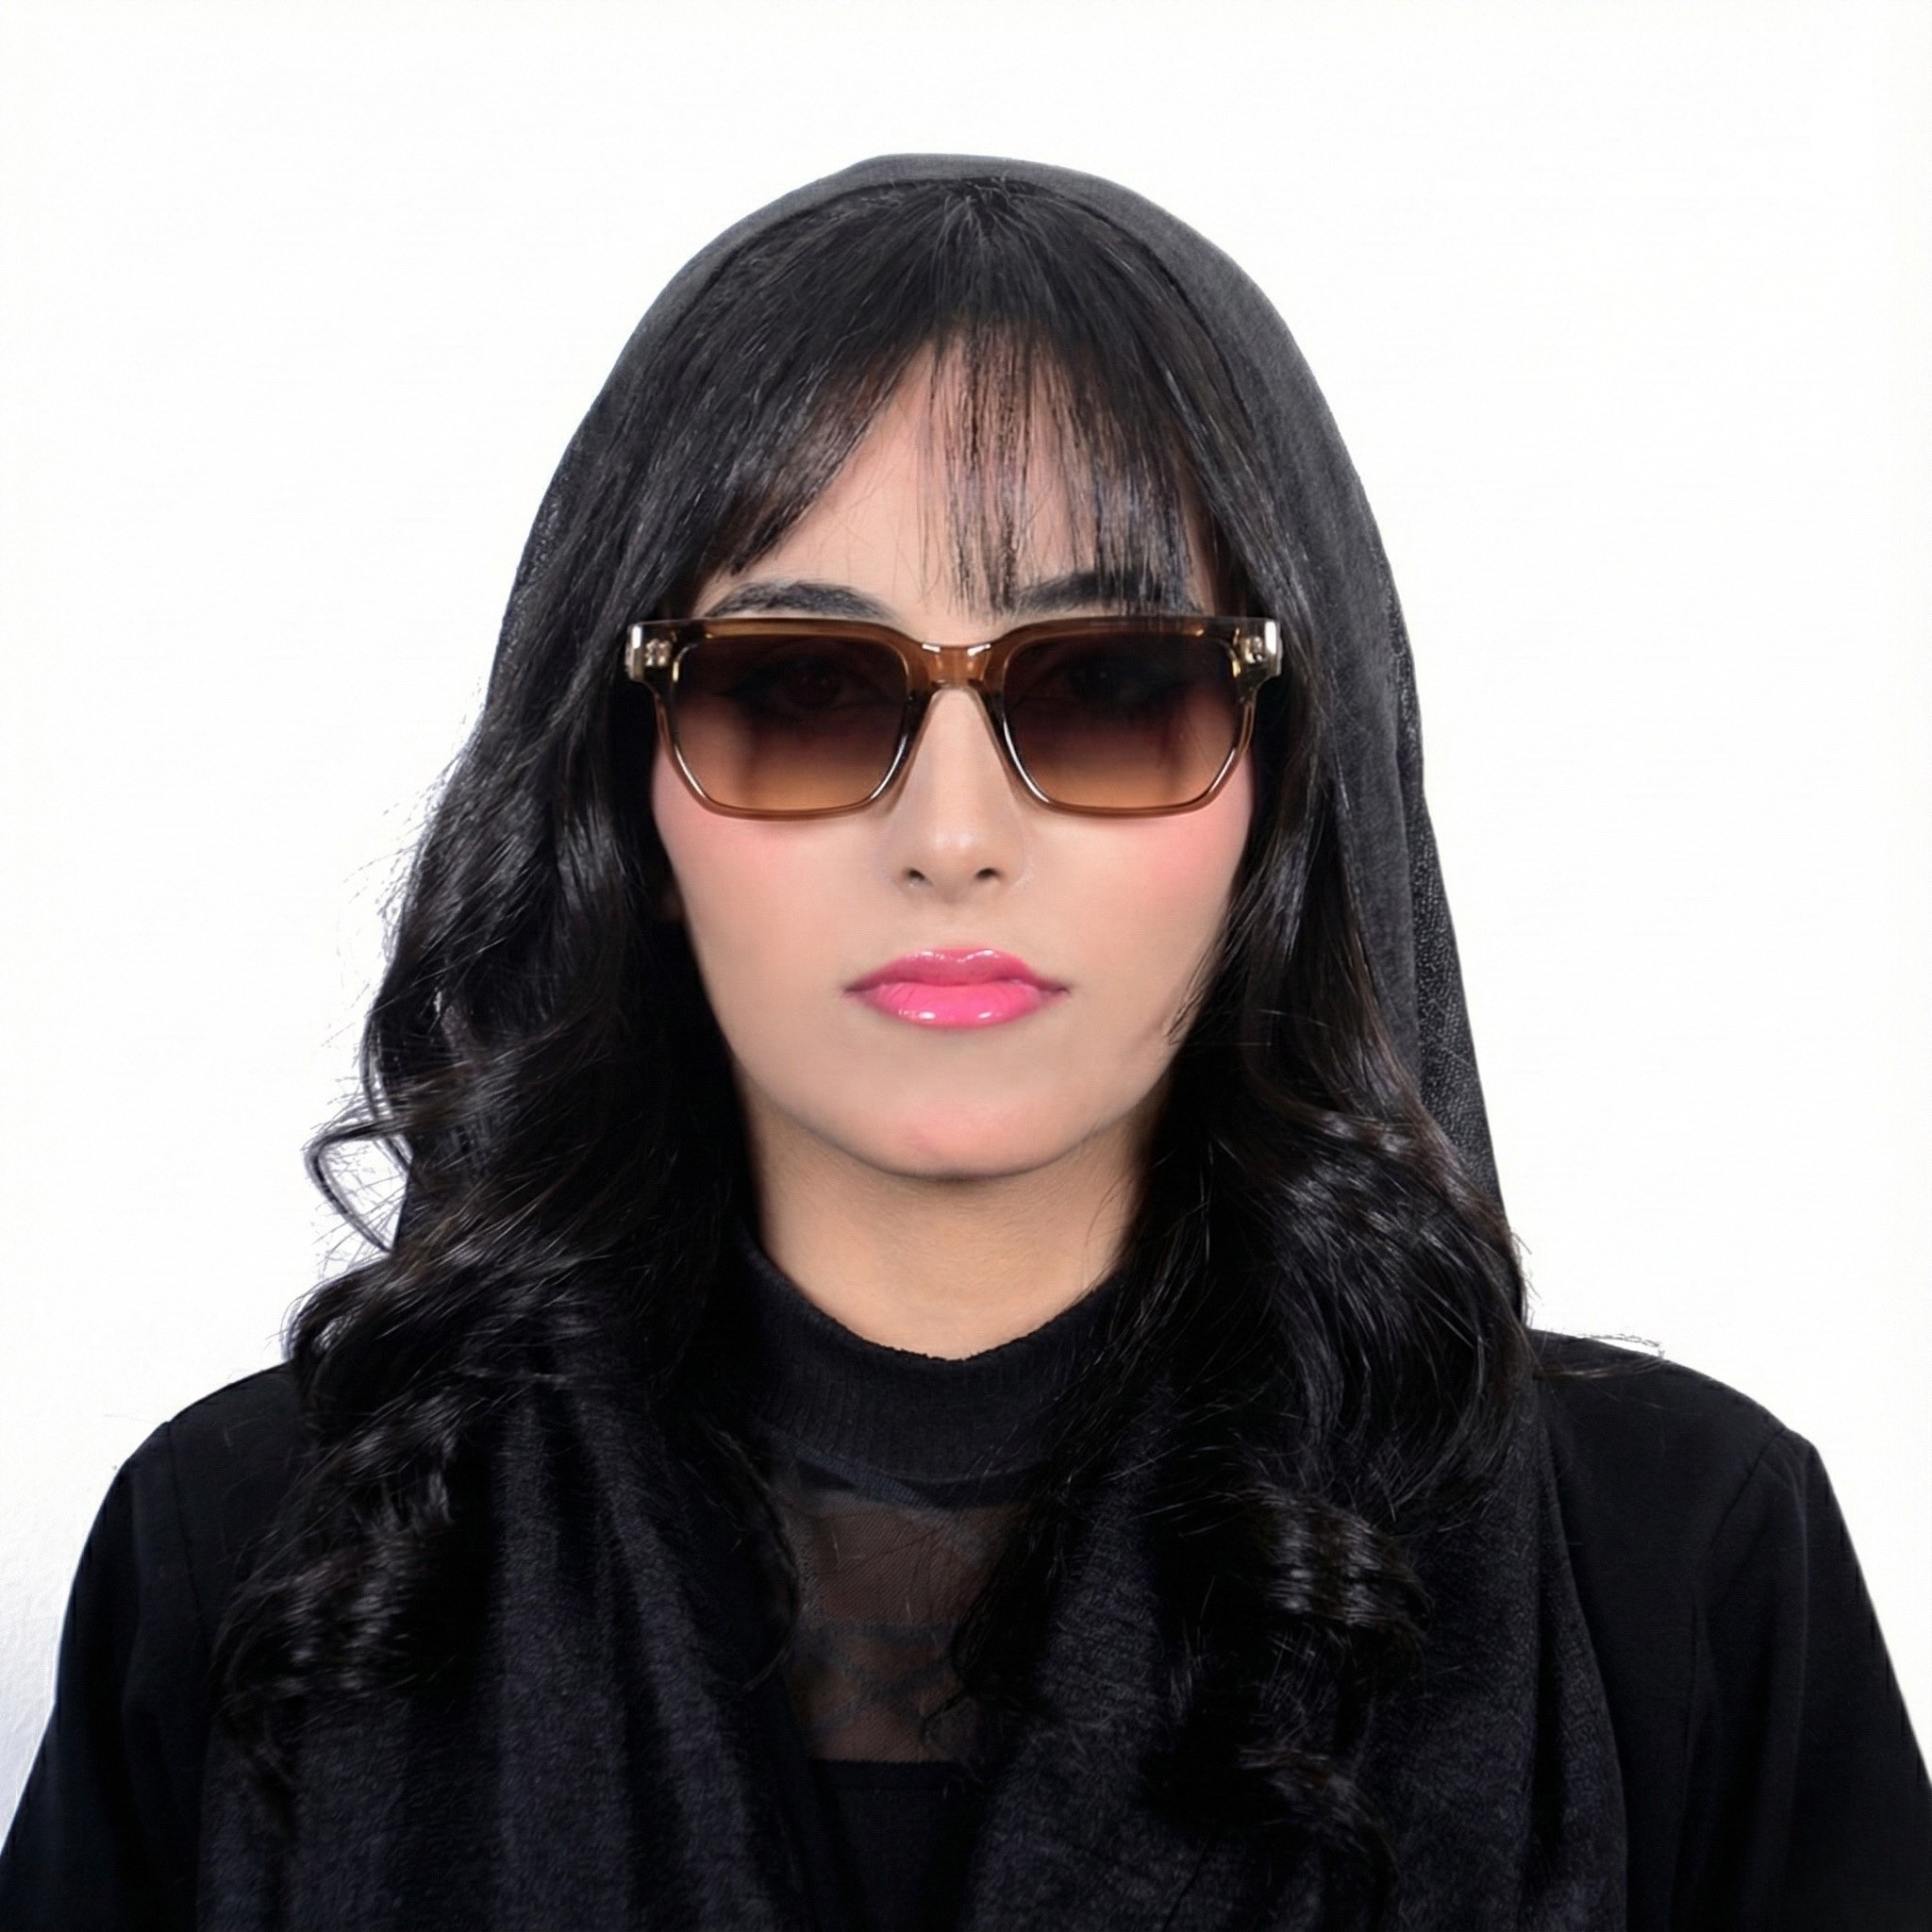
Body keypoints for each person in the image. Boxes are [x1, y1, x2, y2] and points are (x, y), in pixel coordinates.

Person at [2, 154, 1926, 1932]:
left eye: (1108, 688)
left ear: (1282, 791)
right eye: (797, 692)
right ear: (625, 806)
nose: (949, 834)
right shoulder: (260, 1559)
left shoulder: (1676, 1565)